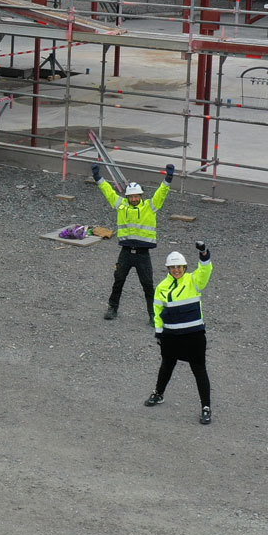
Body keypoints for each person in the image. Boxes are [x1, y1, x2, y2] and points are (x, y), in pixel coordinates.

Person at [92, 163, 175, 322]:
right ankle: (112, 308)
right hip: (126, 253)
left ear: (141, 195)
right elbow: (108, 191)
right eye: (132, 196)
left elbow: (162, 192)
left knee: (148, 286)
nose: (134, 199)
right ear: (128, 197)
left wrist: (168, 178)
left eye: (137, 196)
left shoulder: (150, 206)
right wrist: (98, 178)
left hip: (143, 254)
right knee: (118, 281)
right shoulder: (121, 206)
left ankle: (153, 315)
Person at [147, 241, 214, 425]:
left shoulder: (194, 280)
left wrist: (203, 252)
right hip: (171, 337)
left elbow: (206, 269)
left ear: (185, 267)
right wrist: (159, 334)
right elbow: (158, 313)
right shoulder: (162, 287)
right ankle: (158, 393)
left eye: (179, 267)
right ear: (168, 268)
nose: (176, 270)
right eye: (173, 267)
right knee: (166, 366)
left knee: (199, 370)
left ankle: (206, 407)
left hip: (194, 336)